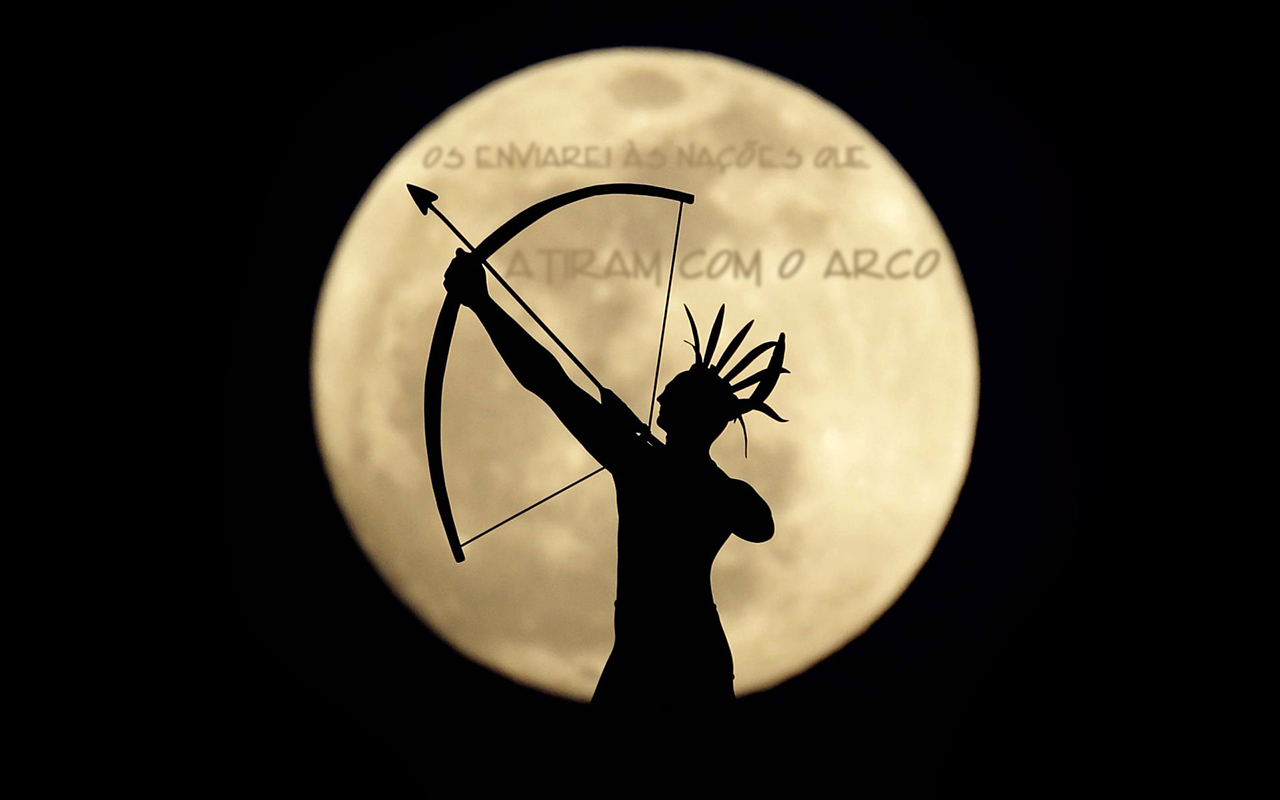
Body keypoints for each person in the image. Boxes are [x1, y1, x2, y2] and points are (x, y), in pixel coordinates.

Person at [444, 248, 788, 713]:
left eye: (675, 391)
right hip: (661, 650)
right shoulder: (656, 466)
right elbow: (550, 381)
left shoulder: (663, 471)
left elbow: (760, 525)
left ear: (695, 414)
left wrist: (482, 303)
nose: (662, 395)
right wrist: (482, 303)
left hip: (676, 655)